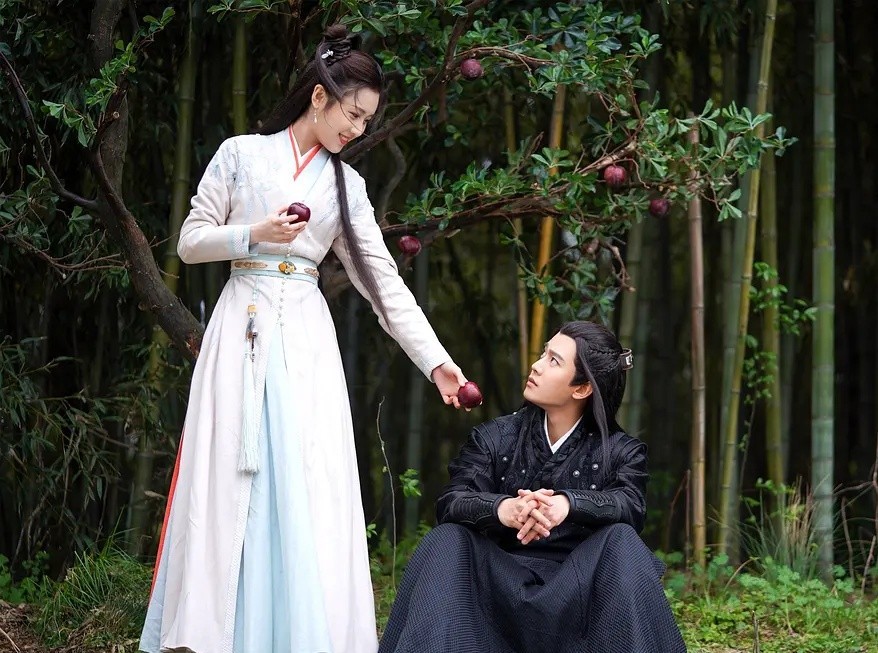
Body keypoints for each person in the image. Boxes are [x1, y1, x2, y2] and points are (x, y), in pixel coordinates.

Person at [139, 24, 469, 653]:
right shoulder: (241, 154)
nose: (358, 130)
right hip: (240, 325)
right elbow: (189, 241)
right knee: (227, 476)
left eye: (367, 121)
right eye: (354, 114)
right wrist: (254, 235)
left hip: (306, 343)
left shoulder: (348, 187)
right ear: (319, 96)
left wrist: (437, 363)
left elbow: (383, 284)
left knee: (304, 480)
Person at [378, 321, 687, 653]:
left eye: (554, 361)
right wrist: (504, 509)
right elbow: (452, 500)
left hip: (580, 600)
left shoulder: (623, 452)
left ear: (582, 388)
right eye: (543, 353)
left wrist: (567, 504)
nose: (536, 366)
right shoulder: (494, 437)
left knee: (622, 539)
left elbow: (630, 504)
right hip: (496, 598)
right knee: (447, 538)